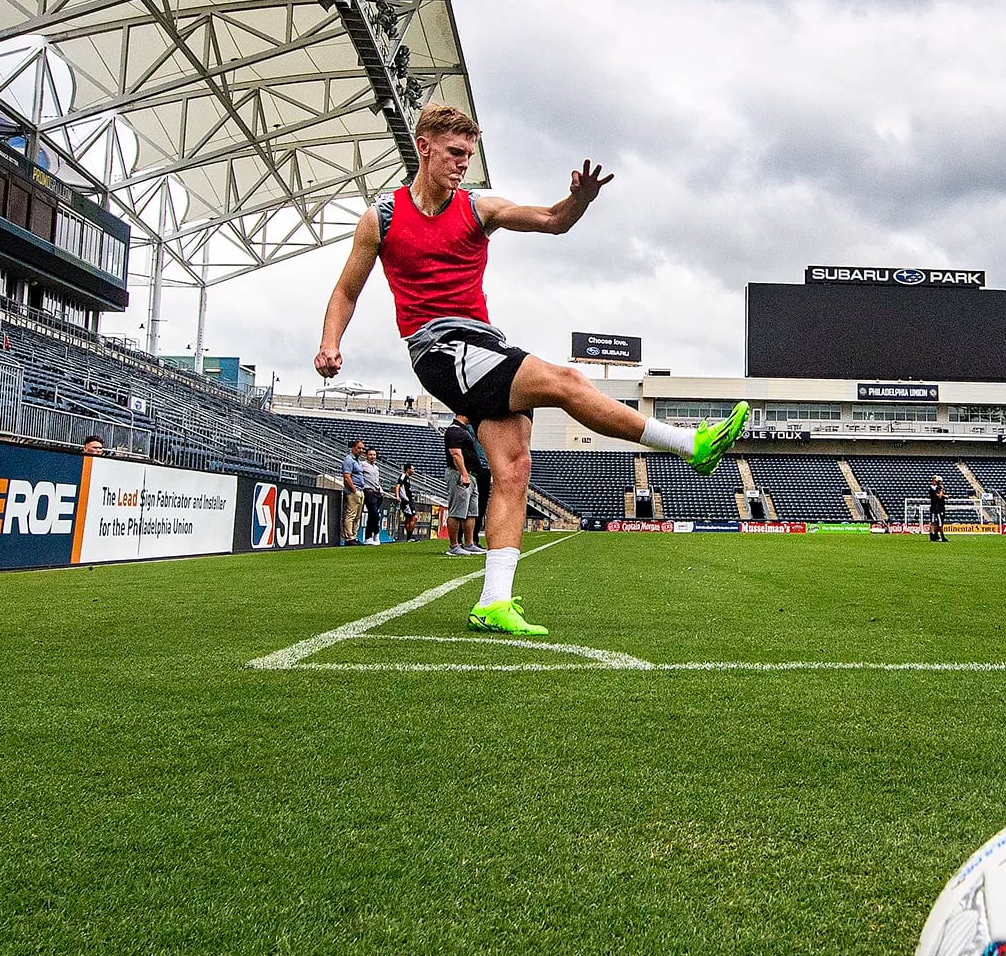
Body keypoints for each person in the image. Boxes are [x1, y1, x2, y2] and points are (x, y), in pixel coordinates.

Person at [314, 104, 748, 636]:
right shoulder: (381, 219)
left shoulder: (479, 209)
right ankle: (688, 445)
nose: (462, 164)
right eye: (454, 153)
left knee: (514, 468)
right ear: (423, 147)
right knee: (566, 381)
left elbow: (550, 220)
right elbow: (346, 289)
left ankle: (494, 600)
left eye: (468, 155)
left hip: (483, 344)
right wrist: (330, 343)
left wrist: (580, 201)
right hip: (436, 349)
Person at [443, 413, 484, 556]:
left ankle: (469, 543)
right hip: (460, 474)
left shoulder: (463, 430)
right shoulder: (454, 430)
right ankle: (454, 546)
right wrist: (464, 474)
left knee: (471, 512)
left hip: (471, 475)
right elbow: (455, 454)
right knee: (457, 511)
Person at [340, 439, 369, 545]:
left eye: (362, 448)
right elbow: (347, 477)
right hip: (353, 491)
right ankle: (349, 537)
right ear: (353, 448)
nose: (361, 450)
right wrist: (354, 489)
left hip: (360, 490)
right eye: (359, 448)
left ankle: (354, 536)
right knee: (351, 514)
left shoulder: (357, 461)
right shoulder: (349, 460)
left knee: (357, 515)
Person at [361, 447, 386, 545]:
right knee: (374, 514)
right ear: (366, 455)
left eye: (374, 455)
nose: (372, 457)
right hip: (368, 491)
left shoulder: (376, 467)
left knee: (373, 516)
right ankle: (375, 533)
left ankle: (369, 536)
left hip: (377, 492)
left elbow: (377, 480)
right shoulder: (362, 465)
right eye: (370, 455)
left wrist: (381, 490)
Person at [927, 474, 948, 543]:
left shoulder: (937, 487)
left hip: (939, 507)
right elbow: (938, 496)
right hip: (935, 507)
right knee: (935, 522)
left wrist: (943, 494)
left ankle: (936, 535)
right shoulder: (933, 488)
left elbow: (944, 496)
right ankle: (933, 535)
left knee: (937, 522)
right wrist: (942, 492)